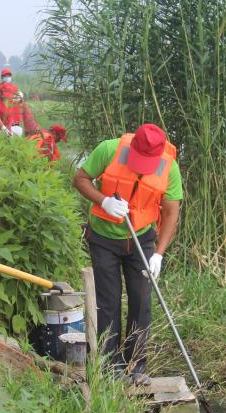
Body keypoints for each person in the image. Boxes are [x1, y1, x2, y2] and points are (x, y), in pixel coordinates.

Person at [72, 124, 182, 384]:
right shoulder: (109, 150)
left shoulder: (169, 168)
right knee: (108, 302)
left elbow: (171, 212)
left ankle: (136, 366)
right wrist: (103, 201)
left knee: (141, 300)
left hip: (141, 239)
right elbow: (80, 179)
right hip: (103, 238)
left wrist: (159, 254)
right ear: (132, 146)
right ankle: (109, 366)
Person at [0, 68, 23, 135]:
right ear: (2, 77)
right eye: (5, 76)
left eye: (9, 76)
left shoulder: (15, 87)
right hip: (4, 123)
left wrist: (19, 97)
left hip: (15, 122)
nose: (7, 78)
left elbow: (20, 98)